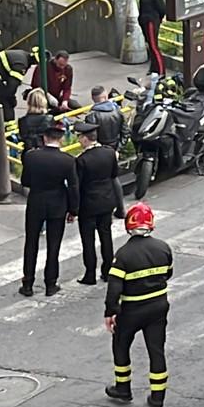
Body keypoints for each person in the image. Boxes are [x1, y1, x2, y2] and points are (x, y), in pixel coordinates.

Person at [105, 202, 173, 407]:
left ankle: (123, 389)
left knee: (121, 345)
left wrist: (110, 312)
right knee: (156, 350)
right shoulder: (163, 248)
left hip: (132, 309)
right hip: (158, 306)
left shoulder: (123, 254)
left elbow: (114, 288)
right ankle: (158, 398)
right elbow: (168, 274)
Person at [20, 122, 78, 298]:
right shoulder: (68, 160)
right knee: (54, 246)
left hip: (36, 202)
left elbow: (25, 181)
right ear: (61, 139)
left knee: (31, 243)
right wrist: (73, 210)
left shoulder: (31, 157)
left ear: (45, 138)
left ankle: (28, 283)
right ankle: (50, 284)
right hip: (57, 204)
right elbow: (73, 187)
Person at [73, 121, 119, 285]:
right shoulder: (109, 153)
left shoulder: (82, 160)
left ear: (85, 139)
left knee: (88, 241)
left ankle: (90, 274)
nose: (79, 140)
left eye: (79, 137)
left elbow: (77, 185)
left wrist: (73, 209)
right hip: (106, 201)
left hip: (88, 205)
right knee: (106, 237)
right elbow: (114, 174)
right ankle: (107, 271)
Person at [0, 48, 33, 123]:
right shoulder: (20, 65)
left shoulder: (24, 56)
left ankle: (4, 124)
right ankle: (8, 125)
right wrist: (12, 99)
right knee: (5, 101)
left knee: (3, 102)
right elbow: (12, 86)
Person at [138, 0, 167, 78]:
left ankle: (161, 71)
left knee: (154, 46)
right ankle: (153, 67)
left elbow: (161, 8)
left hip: (151, 20)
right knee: (150, 45)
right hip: (144, 20)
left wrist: (159, 19)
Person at [86, 86, 125, 150]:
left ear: (92, 98)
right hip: (116, 145)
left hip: (101, 149)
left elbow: (91, 137)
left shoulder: (91, 116)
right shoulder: (117, 111)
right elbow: (125, 131)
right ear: (106, 96)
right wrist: (119, 148)